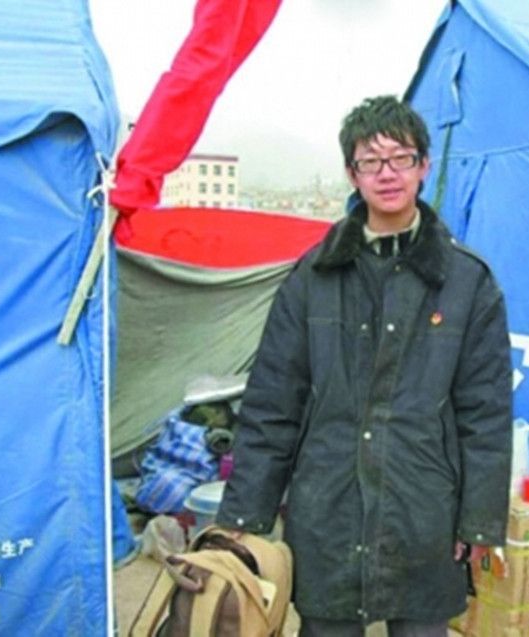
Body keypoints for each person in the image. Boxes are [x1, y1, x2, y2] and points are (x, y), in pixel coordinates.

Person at [217, 95, 513, 636]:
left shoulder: (468, 282)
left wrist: (479, 521)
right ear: (352, 174)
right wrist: (244, 516)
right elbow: (272, 403)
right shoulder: (313, 277)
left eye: (400, 158)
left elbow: (485, 414)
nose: (387, 173)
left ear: (424, 166)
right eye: (370, 161)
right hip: (327, 506)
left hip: (424, 509)